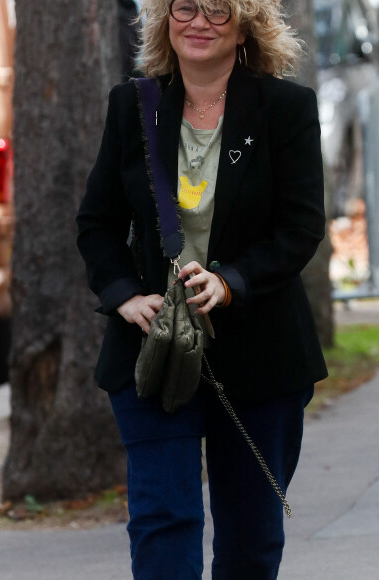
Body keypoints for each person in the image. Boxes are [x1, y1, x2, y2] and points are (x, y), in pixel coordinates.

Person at [76, 0, 327, 578]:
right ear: (165, 18)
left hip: (261, 354)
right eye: (185, 7)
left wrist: (230, 281)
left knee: (251, 536)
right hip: (153, 348)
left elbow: (301, 227)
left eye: (219, 11)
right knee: (163, 522)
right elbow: (98, 222)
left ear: (246, 25)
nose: (200, 23)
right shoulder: (133, 106)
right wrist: (122, 295)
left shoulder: (286, 109)